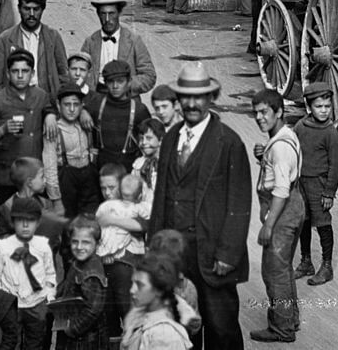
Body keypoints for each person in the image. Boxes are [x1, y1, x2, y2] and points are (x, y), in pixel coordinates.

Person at [147, 62, 252, 350]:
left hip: (213, 254)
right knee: (182, 326)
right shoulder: (170, 138)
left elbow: (239, 203)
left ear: (210, 98)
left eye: (199, 97)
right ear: (178, 100)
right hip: (176, 254)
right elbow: (161, 198)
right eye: (186, 97)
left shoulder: (229, 143)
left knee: (221, 329)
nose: (192, 104)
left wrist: (228, 254)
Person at [249, 88, 302, 344]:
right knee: (283, 270)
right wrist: (264, 157)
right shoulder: (283, 135)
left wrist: (268, 225)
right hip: (293, 206)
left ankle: (281, 328)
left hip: (283, 210)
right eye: (256, 112)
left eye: (264, 112)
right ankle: (290, 319)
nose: (259, 117)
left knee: (274, 272)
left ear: (279, 111)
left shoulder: (280, 147)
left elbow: (281, 189)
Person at [0, 49, 54, 207]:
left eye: (25, 71)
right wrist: (2, 130)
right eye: (15, 71)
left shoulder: (40, 96)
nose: (20, 76)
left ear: (32, 73)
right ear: (7, 73)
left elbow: (49, 107)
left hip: (33, 176)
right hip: (5, 176)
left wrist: (50, 115)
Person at [292, 83, 338, 287]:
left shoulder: (330, 132)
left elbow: (336, 165)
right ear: (309, 107)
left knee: (322, 224)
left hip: (319, 186)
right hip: (300, 184)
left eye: (327, 106)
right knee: (303, 222)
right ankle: (306, 262)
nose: (323, 111)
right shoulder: (300, 127)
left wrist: (329, 192)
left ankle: (327, 266)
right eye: (319, 106)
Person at [0, 194, 56, 350]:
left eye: (31, 221)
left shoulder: (42, 246)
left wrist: (49, 295)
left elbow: (50, 273)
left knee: (35, 342)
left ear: (38, 223)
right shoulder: (3, 248)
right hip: (12, 304)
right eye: (21, 221)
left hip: (37, 302)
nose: (26, 226)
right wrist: (1, 303)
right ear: (13, 222)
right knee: (11, 341)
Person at [0, 0, 70, 102]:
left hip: (46, 102)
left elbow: (64, 75)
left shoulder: (53, 37)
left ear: (42, 9)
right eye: (26, 9)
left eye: (36, 9)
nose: (31, 14)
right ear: (19, 9)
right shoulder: (4, 40)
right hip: (15, 102)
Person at [80, 0, 156, 96]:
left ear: (119, 13)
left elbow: (149, 75)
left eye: (111, 14)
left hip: (126, 98)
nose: (107, 19)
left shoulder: (134, 41)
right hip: (97, 96)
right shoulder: (90, 42)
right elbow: (80, 72)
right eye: (103, 14)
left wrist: (126, 86)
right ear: (98, 15)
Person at [53, 214, 108, 350]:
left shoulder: (92, 274)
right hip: (73, 330)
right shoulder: (78, 262)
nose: (79, 247)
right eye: (75, 241)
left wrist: (72, 329)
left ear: (97, 244)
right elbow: (68, 283)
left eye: (86, 242)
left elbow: (93, 310)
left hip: (85, 338)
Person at [86, 62, 150, 175]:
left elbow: (150, 139)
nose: (115, 86)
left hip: (129, 170)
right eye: (111, 81)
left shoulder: (139, 110)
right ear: (105, 83)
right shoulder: (97, 104)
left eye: (120, 81)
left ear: (129, 82)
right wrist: (83, 112)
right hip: (102, 170)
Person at [45, 85, 99, 218]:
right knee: (68, 226)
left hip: (88, 184)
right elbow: (50, 166)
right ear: (58, 105)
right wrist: (56, 200)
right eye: (67, 105)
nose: (72, 109)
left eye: (76, 104)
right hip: (66, 186)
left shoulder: (85, 124)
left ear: (82, 106)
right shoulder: (54, 129)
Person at [121, 253, 192, 350]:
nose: (132, 290)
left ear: (158, 290)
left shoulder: (164, 334)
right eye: (132, 283)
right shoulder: (137, 319)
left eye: (140, 285)